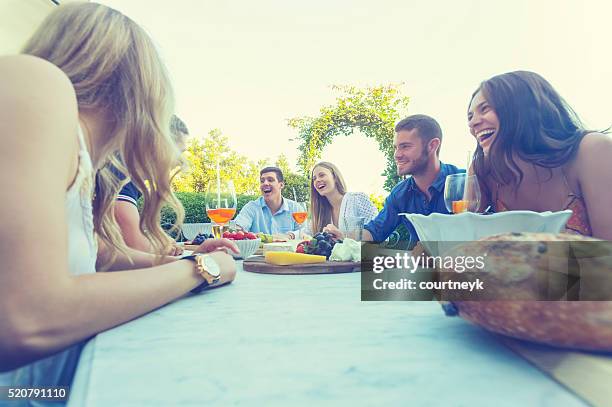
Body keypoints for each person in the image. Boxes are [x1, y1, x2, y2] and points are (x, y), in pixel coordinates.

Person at [0, 2, 238, 391]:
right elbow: (29, 316)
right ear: (138, 85)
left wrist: (179, 257)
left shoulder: (78, 163)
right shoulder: (36, 81)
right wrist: (198, 271)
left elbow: (101, 257)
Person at [467, 70, 612, 239]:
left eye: (484, 109)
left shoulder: (591, 149)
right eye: (470, 116)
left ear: (520, 106)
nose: (473, 123)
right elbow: (465, 244)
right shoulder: (483, 169)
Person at [327, 114, 464, 244]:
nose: (397, 155)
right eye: (396, 148)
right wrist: (342, 235)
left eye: (405, 146)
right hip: (423, 267)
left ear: (432, 146)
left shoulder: (466, 182)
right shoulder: (400, 193)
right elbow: (375, 232)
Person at [113, 115, 189, 253]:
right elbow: (136, 245)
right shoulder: (118, 174)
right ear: (157, 145)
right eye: (179, 152)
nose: (181, 162)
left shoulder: (131, 181)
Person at [303, 162, 378, 238]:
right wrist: (292, 235)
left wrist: (343, 236)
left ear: (335, 177)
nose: (317, 180)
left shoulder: (357, 199)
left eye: (322, 175)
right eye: (314, 179)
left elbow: (377, 231)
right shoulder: (321, 212)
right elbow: (306, 233)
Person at [235, 166, 302, 238]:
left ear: (281, 185)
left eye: (270, 180)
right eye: (262, 181)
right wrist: (239, 230)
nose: (265, 183)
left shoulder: (295, 208)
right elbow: (238, 228)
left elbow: (304, 233)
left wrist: (290, 235)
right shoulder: (251, 207)